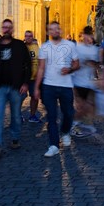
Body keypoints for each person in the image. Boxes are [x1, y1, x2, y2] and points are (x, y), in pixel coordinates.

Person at [0, 19, 31, 160]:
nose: (6, 29)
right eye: (4, 27)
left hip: (16, 86)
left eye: (9, 27)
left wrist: (26, 83)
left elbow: (27, 65)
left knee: (16, 116)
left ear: (13, 29)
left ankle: (15, 138)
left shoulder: (19, 45)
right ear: (2, 28)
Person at [34, 22, 79, 157]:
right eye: (51, 29)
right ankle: (53, 145)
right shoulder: (45, 47)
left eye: (56, 29)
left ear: (60, 30)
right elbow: (41, 68)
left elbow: (77, 63)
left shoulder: (70, 45)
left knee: (69, 113)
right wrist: (36, 87)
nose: (54, 31)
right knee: (51, 116)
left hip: (66, 85)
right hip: (49, 86)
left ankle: (65, 132)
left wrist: (70, 69)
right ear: (48, 32)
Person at [71, 26, 99, 138]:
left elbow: (97, 64)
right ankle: (73, 125)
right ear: (83, 36)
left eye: (90, 36)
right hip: (78, 81)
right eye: (86, 36)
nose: (88, 38)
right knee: (82, 106)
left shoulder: (94, 49)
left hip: (89, 81)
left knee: (91, 106)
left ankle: (87, 124)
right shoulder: (77, 48)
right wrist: (83, 63)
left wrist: (93, 65)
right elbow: (73, 64)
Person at [23, 30, 41, 123]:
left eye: (30, 36)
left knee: (35, 97)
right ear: (24, 37)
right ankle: (18, 115)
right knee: (20, 97)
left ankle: (32, 115)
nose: (28, 38)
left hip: (34, 78)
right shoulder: (21, 47)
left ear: (33, 37)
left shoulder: (37, 47)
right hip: (23, 78)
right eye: (27, 36)